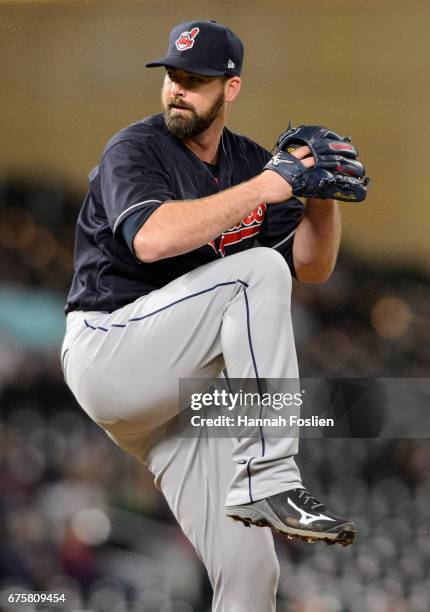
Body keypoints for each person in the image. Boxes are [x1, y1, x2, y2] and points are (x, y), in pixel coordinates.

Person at [61, 19, 361, 611]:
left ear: (230, 88)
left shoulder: (250, 161)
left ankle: (262, 486)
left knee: (252, 573)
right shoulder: (136, 148)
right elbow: (150, 239)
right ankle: (271, 478)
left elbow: (313, 266)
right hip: (110, 348)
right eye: (172, 74)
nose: (177, 88)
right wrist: (270, 187)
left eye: (194, 79)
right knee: (255, 275)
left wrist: (317, 194)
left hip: (179, 399)